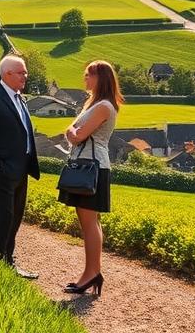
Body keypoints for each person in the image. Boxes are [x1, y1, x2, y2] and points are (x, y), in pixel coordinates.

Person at [60, 60, 123, 296]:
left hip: (92, 168)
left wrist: (72, 131)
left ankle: (91, 273)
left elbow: (76, 134)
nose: (85, 79)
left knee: (89, 223)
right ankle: (93, 272)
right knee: (89, 222)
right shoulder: (95, 105)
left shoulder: (103, 106)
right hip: (89, 166)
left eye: (88, 75)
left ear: (100, 78)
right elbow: (72, 130)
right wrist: (72, 131)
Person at [0, 53, 41, 278]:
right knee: (3, 215)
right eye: (21, 72)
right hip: (3, 169)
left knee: (16, 215)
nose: (26, 75)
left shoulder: (19, 97)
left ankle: (7, 260)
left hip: (22, 167)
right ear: (7, 74)